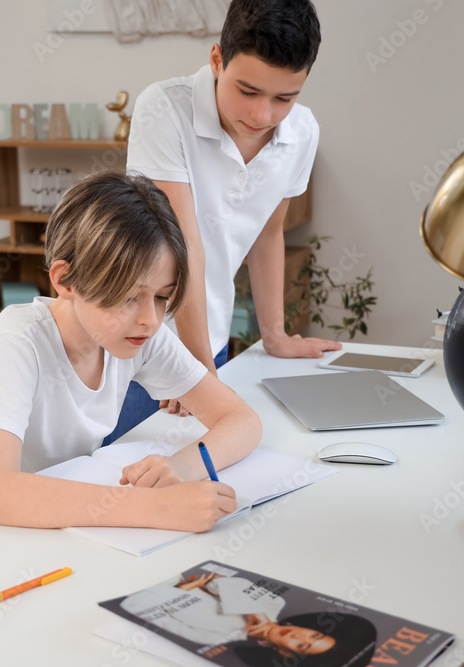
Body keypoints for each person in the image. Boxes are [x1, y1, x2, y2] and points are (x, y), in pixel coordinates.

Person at [0, 171, 262, 582]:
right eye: (129, 296)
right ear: (65, 280)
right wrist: (159, 508)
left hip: (56, 526)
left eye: (163, 296)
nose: (150, 318)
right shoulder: (19, 341)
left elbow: (242, 420)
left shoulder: (139, 334)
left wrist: (184, 466)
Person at [106, 0, 341, 445]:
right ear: (217, 60)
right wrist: (200, 378)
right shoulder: (165, 109)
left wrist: (274, 335)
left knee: (197, 479)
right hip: (138, 339)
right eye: (247, 91)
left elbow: (268, 232)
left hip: (207, 335)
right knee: (117, 486)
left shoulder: (302, 133)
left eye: (284, 98)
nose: (262, 115)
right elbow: (180, 245)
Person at [119, 572, 377, 666]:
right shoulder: (274, 603)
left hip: (137, 581)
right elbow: (226, 580)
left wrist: (181, 590)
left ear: (287, 654)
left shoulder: (213, 638)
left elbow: (134, 604)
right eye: (314, 635)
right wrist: (257, 614)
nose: (300, 636)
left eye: (303, 646)